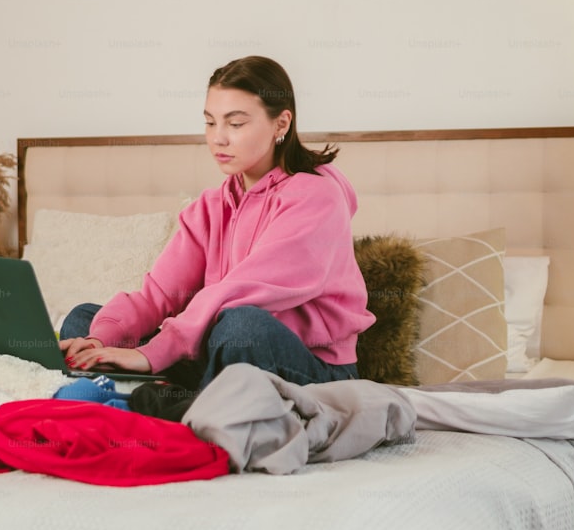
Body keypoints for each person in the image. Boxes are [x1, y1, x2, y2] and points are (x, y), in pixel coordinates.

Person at [58, 55, 375, 391]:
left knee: (241, 327)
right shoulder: (209, 207)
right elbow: (158, 296)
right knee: (85, 322)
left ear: (281, 124)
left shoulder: (316, 196)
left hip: (311, 368)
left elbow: (239, 291)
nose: (218, 138)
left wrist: (155, 352)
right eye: (210, 122)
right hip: (214, 355)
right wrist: (99, 339)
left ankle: (173, 401)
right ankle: (171, 397)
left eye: (235, 124)